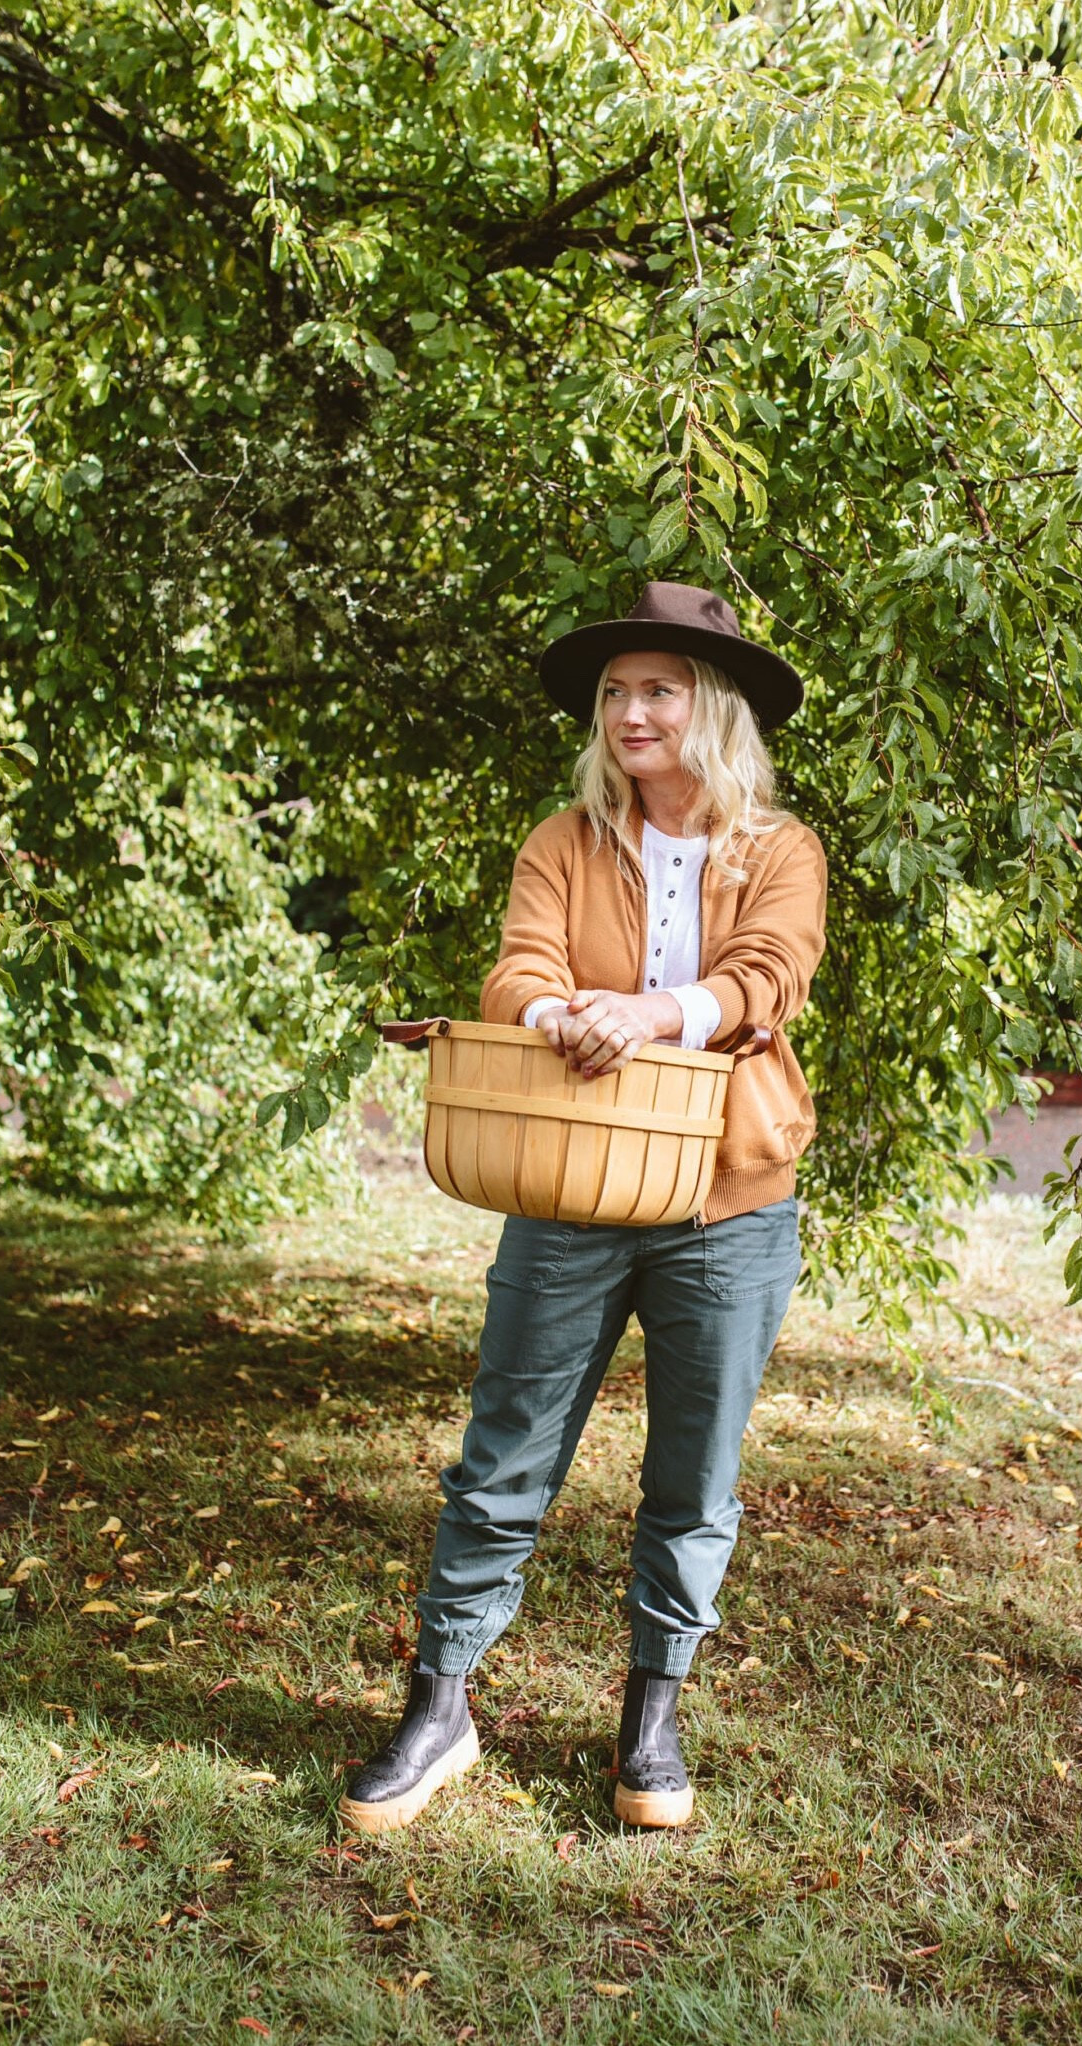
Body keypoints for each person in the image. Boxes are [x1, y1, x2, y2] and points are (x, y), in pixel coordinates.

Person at [340, 580, 827, 1834]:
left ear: (708, 708)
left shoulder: (779, 849)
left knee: (692, 1477)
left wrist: (653, 1014)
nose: (629, 711)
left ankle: (651, 1715)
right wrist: (565, 1017)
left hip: (727, 1203)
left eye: (657, 689)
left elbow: (765, 977)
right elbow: (518, 971)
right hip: (570, 1185)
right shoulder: (564, 840)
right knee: (502, 1455)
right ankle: (439, 1703)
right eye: (615, 692)